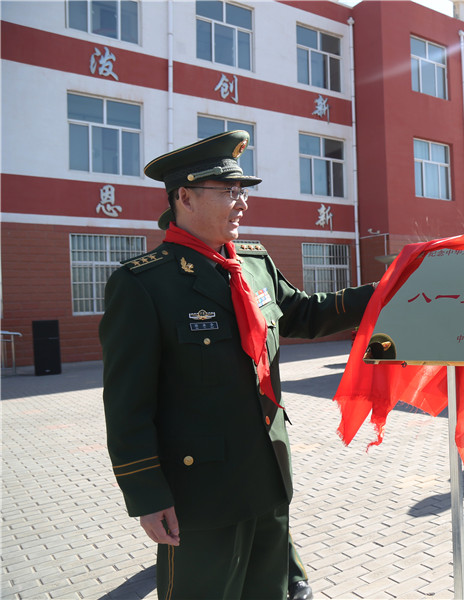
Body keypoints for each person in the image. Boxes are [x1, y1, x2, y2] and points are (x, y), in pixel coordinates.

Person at [99, 131, 375, 600]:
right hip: (199, 494)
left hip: (268, 474)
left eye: (243, 190)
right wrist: (147, 495)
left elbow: (304, 313)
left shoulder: (251, 263)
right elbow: (128, 403)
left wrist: (386, 290)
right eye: (229, 191)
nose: (242, 202)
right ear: (184, 197)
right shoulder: (145, 284)